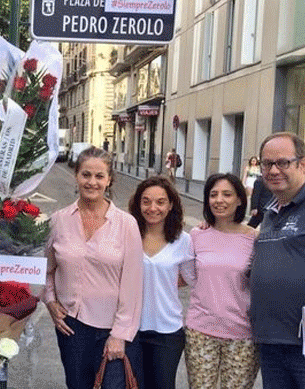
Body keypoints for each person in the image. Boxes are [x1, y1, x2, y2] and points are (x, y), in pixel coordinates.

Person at [44, 146, 143, 389]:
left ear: (109, 180)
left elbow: (132, 285)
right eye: (86, 175)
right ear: (76, 176)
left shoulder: (126, 224)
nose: (92, 182)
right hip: (71, 326)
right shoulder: (59, 220)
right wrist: (50, 301)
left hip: (111, 328)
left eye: (99, 176)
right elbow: (47, 269)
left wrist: (119, 334)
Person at [251, 132, 305, 388]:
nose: (273, 170)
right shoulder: (270, 211)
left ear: (302, 164)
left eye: (283, 162)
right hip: (271, 343)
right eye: (267, 163)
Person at [184, 173, 259, 389]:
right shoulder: (197, 234)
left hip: (242, 334)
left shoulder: (253, 238)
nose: (219, 200)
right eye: (213, 194)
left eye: (227, 194)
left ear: (239, 200)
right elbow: (190, 276)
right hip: (200, 331)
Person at [128, 176, 193, 389]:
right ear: (138, 204)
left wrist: (163, 282)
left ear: (171, 205)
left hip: (167, 331)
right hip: (130, 329)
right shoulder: (128, 235)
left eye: (160, 202)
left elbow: (189, 278)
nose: (153, 208)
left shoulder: (183, 240)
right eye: (146, 201)